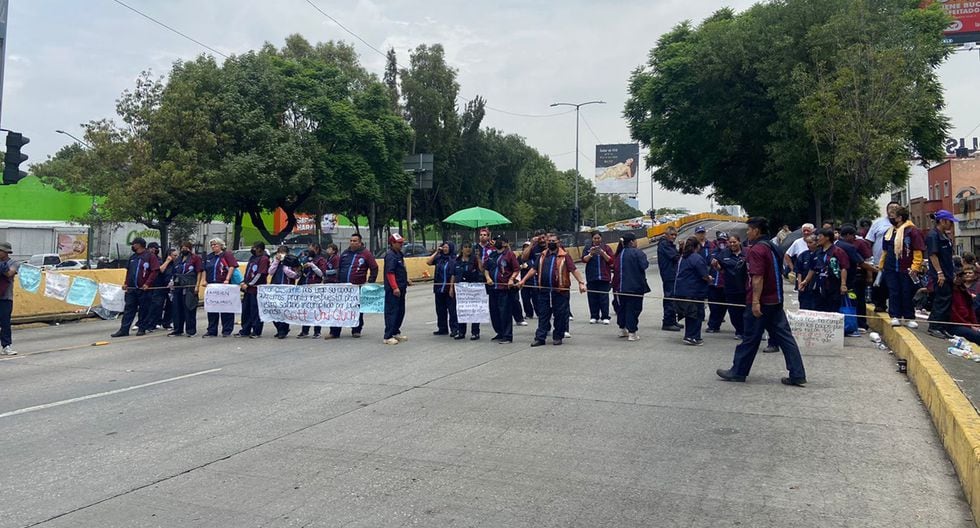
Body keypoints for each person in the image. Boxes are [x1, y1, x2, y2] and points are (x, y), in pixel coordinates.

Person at [717, 217, 807, 386]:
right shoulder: (772, 246)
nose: (748, 233)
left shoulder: (757, 250)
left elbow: (757, 278)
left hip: (762, 301)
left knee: (750, 337)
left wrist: (756, 302)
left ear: (756, 230)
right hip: (776, 299)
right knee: (785, 338)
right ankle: (797, 373)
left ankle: (738, 372)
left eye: (749, 229)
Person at [520, 233, 587, 346]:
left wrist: (581, 283)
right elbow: (533, 269)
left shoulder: (564, 256)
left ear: (558, 242)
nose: (551, 243)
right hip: (544, 291)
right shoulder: (542, 256)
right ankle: (540, 338)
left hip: (560, 291)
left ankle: (558, 336)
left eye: (553, 241)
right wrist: (523, 280)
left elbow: (574, 270)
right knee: (543, 315)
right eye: (549, 241)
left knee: (560, 315)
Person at [878, 207, 925, 329]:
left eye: (892, 215)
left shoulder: (912, 231)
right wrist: (881, 265)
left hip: (907, 268)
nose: (890, 218)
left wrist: (915, 267)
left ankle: (909, 317)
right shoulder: (889, 232)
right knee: (894, 291)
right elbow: (885, 250)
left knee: (906, 292)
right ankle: (895, 316)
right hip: (891, 267)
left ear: (900, 217)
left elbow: (917, 251)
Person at [327, 233, 378, 339]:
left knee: (357, 309)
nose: (352, 242)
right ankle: (334, 332)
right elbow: (339, 268)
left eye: (355, 241)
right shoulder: (345, 253)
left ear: (360, 242)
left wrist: (371, 281)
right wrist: (337, 280)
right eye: (351, 240)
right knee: (338, 309)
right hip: (343, 287)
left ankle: (356, 330)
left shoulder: (366, 254)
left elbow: (374, 267)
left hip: (357, 287)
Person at [111, 237, 160, 338]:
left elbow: (155, 271)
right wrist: (126, 283)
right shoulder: (133, 257)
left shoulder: (150, 256)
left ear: (139, 245)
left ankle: (142, 328)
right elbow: (129, 272)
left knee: (143, 309)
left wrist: (148, 283)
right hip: (132, 289)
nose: (132, 246)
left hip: (144, 289)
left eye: (134, 244)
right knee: (129, 309)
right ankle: (124, 329)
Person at [800, 228, 849, 314]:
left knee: (832, 310)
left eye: (820, 236)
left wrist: (843, 284)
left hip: (833, 286)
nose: (818, 238)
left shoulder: (837, 251)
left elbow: (843, 268)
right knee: (819, 310)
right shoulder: (818, 252)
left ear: (827, 237)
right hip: (819, 286)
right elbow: (813, 268)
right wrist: (805, 281)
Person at [611, 232, 650, 341]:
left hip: (620, 287)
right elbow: (644, 265)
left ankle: (622, 329)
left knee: (622, 308)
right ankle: (632, 332)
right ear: (632, 242)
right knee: (634, 309)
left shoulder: (619, 254)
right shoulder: (638, 253)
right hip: (635, 287)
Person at [927, 210, 958, 339]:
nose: (951, 224)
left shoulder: (945, 235)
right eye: (950, 222)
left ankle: (942, 326)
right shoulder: (933, 235)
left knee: (947, 300)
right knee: (941, 300)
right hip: (941, 275)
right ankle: (934, 327)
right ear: (942, 221)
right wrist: (939, 273)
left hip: (948, 273)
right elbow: (933, 255)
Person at [675, 237, 712, 346]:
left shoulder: (683, 258)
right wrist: (709, 278)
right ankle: (694, 337)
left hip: (682, 290)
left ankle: (688, 335)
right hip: (694, 291)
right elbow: (704, 275)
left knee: (690, 315)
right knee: (697, 314)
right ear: (697, 246)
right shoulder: (697, 258)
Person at [199, 238, 238, 338]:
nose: (213, 246)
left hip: (224, 285)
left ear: (221, 245)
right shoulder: (209, 257)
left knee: (226, 308)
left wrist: (227, 279)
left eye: (215, 245)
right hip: (212, 285)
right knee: (212, 308)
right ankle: (212, 330)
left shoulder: (226, 255)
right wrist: (204, 280)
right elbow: (204, 269)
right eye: (212, 245)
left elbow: (232, 267)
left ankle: (227, 330)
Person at [484, 234, 520, 344]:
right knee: (494, 312)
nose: (495, 242)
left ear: (504, 243)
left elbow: (516, 269)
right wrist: (488, 277)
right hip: (492, 288)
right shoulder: (492, 255)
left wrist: (511, 279)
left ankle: (507, 335)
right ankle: (499, 332)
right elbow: (486, 268)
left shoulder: (509, 255)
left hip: (504, 289)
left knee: (505, 312)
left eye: (498, 240)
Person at [867, 202, 902, 312]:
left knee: (894, 286)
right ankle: (880, 304)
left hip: (897, 261)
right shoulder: (878, 223)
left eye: (896, 208)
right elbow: (869, 241)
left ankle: (895, 309)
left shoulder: (903, 224)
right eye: (891, 208)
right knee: (879, 285)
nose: (893, 210)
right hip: (879, 262)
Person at [834, 225, 869, 336]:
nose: (854, 238)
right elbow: (861, 262)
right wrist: (876, 270)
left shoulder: (836, 244)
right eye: (853, 236)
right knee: (854, 302)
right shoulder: (849, 247)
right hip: (850, 280)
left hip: (837, 279)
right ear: (848, 235)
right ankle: (856, 325)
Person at [714, 234, 747, 340]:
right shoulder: (724, 253)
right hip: (731, 288)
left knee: (747, 311)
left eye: (734, 242)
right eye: (730, 242)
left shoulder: (747, 252)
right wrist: (716, 266)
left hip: (746, 288)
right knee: (734, 312)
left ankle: (749, 331)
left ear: (739, 242)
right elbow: (720, 268)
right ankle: (739, 331)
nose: (732, 244)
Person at [451, 242, 484, 340]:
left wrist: (479, 259)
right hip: (461, 289)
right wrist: (451, 288)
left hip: (473, 288)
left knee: (474, 310)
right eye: (465, 247)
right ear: (461, 249)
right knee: (462, 310)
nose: (468, 249)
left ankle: (475, 332)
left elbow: (482, 270)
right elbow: (453, 274)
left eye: (469, 247)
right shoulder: (457, 260)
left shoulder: (474, 259)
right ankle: (461, 332)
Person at [169, 241, 202, 337]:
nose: (184, 249)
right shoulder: (178, 259)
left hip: (190, 285)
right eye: (182, 247)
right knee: (177, 309)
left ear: (190, 248)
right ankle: (178, 329)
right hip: (178, 285)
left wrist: (197, 285)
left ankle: (191, 330)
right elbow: (174, 272)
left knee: (189, 308)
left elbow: (199, 272)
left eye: (186, 247)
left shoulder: (195, 258)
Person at [237, 242, 269, 338]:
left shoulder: (264, 259)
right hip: (247, 289)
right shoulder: (252, 258)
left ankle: (256, 331)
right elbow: (248, 272)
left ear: (260, 249)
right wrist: (243, 282)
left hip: (256, 289)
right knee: (246, 310)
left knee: (255, 311)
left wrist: (249, 284)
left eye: (254, 248)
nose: (253, 249)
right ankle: (245, 330)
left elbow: (259, 274)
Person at [383, 234, 410, 345]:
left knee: (400, 311)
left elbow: (401, 269)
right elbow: (390, 273)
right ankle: (388, 335)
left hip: (402, 286)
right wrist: (395, 287)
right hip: (394, 289)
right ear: (392, 243)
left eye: (401, 242)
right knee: (392, 311)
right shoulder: (390, 255)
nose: (401, 244)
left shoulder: (399, 254)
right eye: (399, 243)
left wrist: (406, 280)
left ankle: (395, 331)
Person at [268, 245, 300, 338]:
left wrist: (286, 267)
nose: (280, 255)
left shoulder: (292, 261)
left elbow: (296, 275)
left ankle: (283, 330)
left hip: (287, 289)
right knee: (274, 310)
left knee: (284, 311)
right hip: (276, 289)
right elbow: (270, 272)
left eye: (282, 253)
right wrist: (276, 261)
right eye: (279, 252)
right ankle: (279, 328)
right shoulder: (276, 261)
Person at [297, 245, 328, 338]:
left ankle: (317, 331)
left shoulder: (320, 260)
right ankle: (304, 331)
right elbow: (300, 273)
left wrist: (312, 265)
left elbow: (322, 273)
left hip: (315, 287)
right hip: (305, 286)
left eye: (311, 249)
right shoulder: (305, 258)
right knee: (305, 309)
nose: (309, 250)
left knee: (316, 310)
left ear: (317, 249)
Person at [428, 241, 458, 337]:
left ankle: (454, 329)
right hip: (439, 288)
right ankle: (442, 328)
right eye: (443, 247)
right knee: (440, 310)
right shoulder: (439, 258)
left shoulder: (454, 259)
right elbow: (428, 262)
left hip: (449, 288)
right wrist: (437, 252)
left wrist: (451, 287)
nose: (445, 249)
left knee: (452, 310)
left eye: (446, 247)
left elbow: (454, 273)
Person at [582, 231, 613, 324]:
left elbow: (611, 260)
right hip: (592, 277)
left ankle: (605, 316)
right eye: (595, 238)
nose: (596, 240)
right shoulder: (588, 248)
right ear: (592, 239)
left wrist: (603, 253)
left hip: (604, 277)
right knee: (592, 297)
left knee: (604, 297)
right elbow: (584, 260)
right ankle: (594, 316)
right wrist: (591, 254)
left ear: (601, 238)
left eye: (598, 238)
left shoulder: (606, 248)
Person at [657, 226, 682, 331]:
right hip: (669, 274)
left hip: (672, 274)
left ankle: (672, 320)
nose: (674, 237)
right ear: (666, 235)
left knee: (673, 298)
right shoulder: (664, 245)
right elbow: (675, 257)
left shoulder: (669, 245)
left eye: (675, 235)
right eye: (672, 235)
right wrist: (681, 249)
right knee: (669, 298)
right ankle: (667, 322)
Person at [947, 269, 980, 345]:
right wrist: (970, 326)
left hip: (967, 323)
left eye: (961, 277)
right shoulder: (950, 292)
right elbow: (954, 315)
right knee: (976, 335)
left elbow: (971, 311)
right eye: (957, 277)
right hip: (956, 325)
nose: (958, 279)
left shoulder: (965, 292)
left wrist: (975, 324)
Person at [705, 232, 729, 334]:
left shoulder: (730, 253)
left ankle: (717, 324)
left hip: (726, 285)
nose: (722, 242)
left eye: (724, 240)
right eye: (720, 240)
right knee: (714, 307)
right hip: (713, 285)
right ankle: (712, 325)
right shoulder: (713, 252)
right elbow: (706, 265)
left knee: (724, 307)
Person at [0, 241, 20, 355]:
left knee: (5, 323)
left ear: (6, 252)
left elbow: (9, 273)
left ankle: (6, 345)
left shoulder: (14, 263)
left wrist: (2, 266)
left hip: (6, 297)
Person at [144, 242, 169, 331]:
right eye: (154, 248)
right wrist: (167, 261)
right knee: (150, 306)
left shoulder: (158, 259)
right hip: (150, 285)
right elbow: (160, 269)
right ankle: (148, 324)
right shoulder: (146, 258)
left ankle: (155, 322)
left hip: (158, 285)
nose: (156, 250)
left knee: (158, 306)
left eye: (157, 248)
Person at [794, 235, 819, 310]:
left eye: (810, 242)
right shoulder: (803, 255)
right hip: (804, 286)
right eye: (807, 243)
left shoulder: (820, 254)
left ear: (816, 242)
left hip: (816, 286)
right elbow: (799, 271)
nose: (808, 245)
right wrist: (800, 285)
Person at [159, 247, 178, 330]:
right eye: (174, 255)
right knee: (158, 305)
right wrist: (167, 261)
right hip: (162, 286)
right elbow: (161, 270)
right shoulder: (164, 263)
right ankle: (156, 321)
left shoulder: (177, 264)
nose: (176, 257)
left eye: (177, 255)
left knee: (170, 306)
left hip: (172, 287)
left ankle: (167, 322)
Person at [517, 242, 536, 320]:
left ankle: (540, 313)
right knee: (525, 299)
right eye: (525, 247)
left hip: (534, 281)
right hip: (524, 282)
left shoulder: (534, 257)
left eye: (528, 247)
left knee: (536, 299)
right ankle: (529, 314)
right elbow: (515, 267)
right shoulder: (520, 258)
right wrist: (522, 266)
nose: (526, 249)